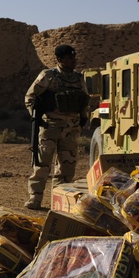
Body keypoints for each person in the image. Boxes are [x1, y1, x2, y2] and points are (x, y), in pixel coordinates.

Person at [24, 44, 89, 210]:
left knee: (67, 167)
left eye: (74, 58)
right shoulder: (48, 76)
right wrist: (36, 117)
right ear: (59, 60)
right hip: (50, 126)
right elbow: (30, 97)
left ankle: (59, 202)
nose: (73, 61)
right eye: (69, 58)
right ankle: (35, 199)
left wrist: (83, 118)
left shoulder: (79, 78)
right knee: (42, 165)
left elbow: (84, 100)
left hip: (71, 129)